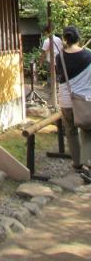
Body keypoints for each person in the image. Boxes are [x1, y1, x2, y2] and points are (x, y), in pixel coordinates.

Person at [56, 25, 91, 183]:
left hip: (66, 100)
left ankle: (77, 164)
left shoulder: (59, 57)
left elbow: (60, 75)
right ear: (79, 38)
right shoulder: (88, 55)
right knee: (87, 132)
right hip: (85, 100)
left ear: (65, 39)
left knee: (70, 131)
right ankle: (88, 164)